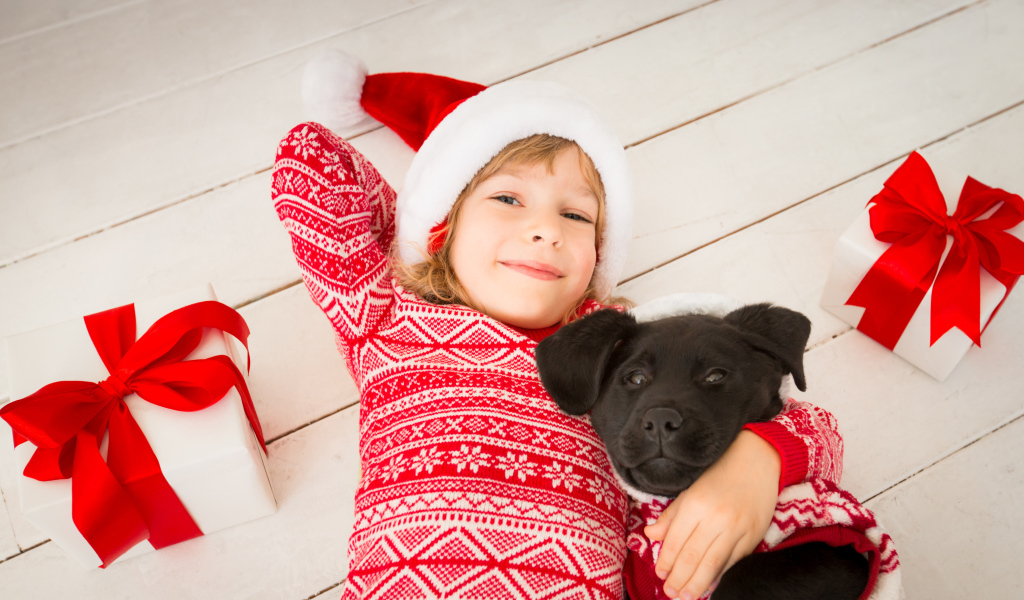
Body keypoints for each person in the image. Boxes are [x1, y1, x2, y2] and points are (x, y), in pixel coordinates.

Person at [272, 50, 845, 600]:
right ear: (443, 226)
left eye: (574, 214)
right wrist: (424, 219)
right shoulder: (388, 319)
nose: (545, 229)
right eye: (507, 199)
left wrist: (759, 460)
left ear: (597, 255)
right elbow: (309, 158)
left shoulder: (622, 344)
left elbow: (813, 425)